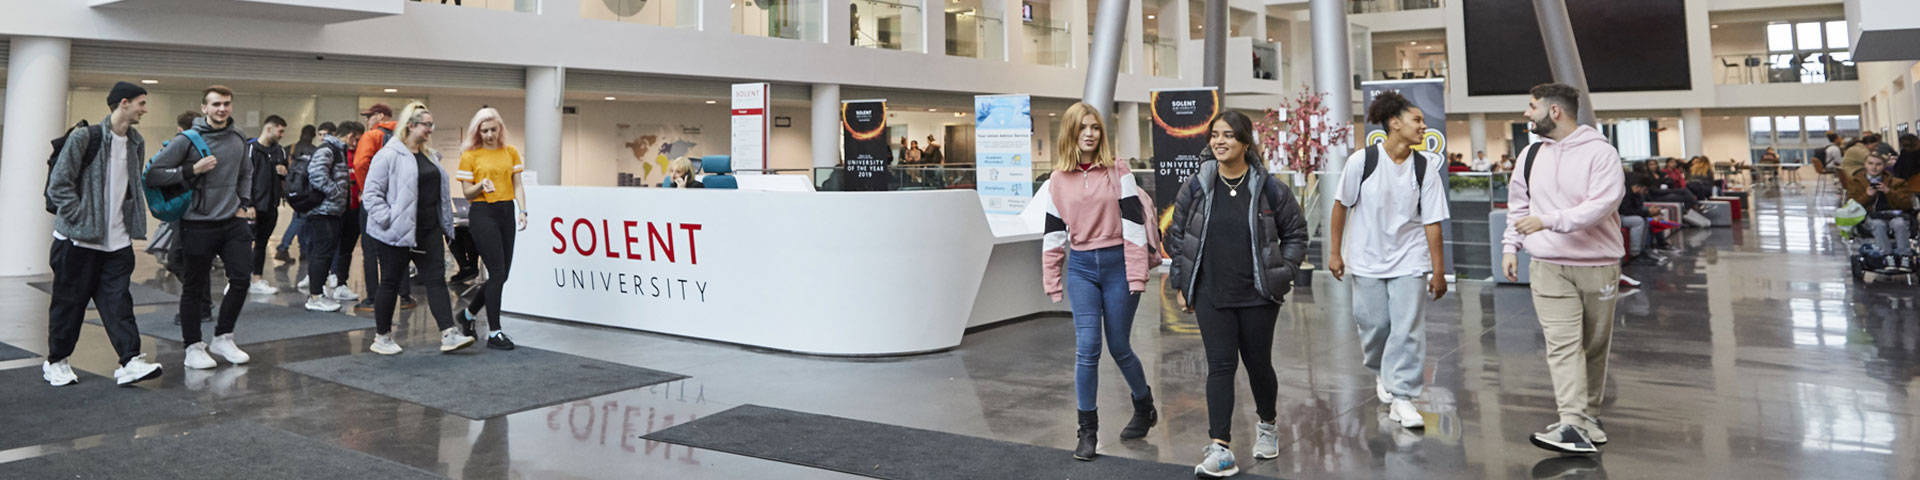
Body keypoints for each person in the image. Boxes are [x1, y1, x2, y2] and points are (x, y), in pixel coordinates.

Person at [1167, 110, 1309, 478]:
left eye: (1229, 135)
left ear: (1246, 142)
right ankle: (1221, 448)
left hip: (1258, 294)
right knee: (1220, 365)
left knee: (1258, 364)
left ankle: (1267, 425)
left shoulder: (1269, 187)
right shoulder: (1197, 186)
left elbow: (1296, 234)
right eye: (1215, 134)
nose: (1220, 141)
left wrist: (1284, 273)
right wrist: (1182, 284)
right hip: (1211, 292)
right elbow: (1178, 237)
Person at [1503, 83, 1625, 455]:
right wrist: (1511, 246)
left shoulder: (1601, 154)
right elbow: (1518, 205)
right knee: (1562, 345)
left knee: (1594, 346)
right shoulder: (1529, 154)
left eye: (1532, 106)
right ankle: (1571, 421)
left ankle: (1587, 418)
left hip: (1598, 264)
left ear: (1554, 111)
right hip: (1547, 265)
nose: (1527, 113)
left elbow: (1600, 206)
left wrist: (1548, 220)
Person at [1035, 102, 1158, 461]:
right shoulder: (1057, 180)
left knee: (1119, 346)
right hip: (1082, 269)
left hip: (1119, 264)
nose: (1090, 134)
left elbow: (1135, 228)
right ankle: (1087, 431)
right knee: (1087, 349)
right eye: (1082, 128)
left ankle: (1144, 405)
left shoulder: (1119, 171)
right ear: (1071, 133)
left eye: (1095, 128)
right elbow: (1054, 234)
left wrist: (1137, 274)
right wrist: (1052, 279)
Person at [1327, 90, 1450, 431]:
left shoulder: (1425, 167)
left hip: (1410, 258)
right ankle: (1383, 369)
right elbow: (1341, 205)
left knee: (1407, 328)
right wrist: (1335, 251)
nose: (1423, 127)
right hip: (1366, 257)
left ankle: (1404, 396)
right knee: (1375, 324)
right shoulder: (1362, 161)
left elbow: (1433, 223)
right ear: (1395, 124)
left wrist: (1438, 272)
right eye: (1417, 120)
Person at [42, 81, 164, 386]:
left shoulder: (136, 141)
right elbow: (59, 184)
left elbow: (130, 189)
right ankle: (56, 361)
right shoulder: (86, 137)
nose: (144, 109)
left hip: (117, 242)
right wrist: (81, 218)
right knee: (69, 304)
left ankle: (130, 361)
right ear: (124, 103)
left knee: (118, 302)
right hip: (77, 241)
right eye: (141, 103)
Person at [145, 85, 257, 370]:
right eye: (216, 104)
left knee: (242, 278)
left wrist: (243, 202)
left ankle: (223, 336)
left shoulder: (238, 137)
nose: (222, 109)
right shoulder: (187, 140)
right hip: (196, 224)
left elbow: (246, 172)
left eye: (227, 104)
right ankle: (193, 346)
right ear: (204, 108)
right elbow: (154, 174)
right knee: (195, 287)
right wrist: (191, 170)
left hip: (232, 221)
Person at [362, 101, 474, 355]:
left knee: (436, 280)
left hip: (428, 230)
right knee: (390, 283)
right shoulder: (389, 154)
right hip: (395, 232)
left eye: (431, 125)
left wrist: (444, 223)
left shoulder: (430, 156)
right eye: (427, 125)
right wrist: (389, 219)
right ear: (410, 125)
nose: (430, 130)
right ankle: (382, 337)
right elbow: (371, 195)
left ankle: (449, 333)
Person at [454, 107, 528, 350]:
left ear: (500, 129)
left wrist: (523, 211)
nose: (489, 134)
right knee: (496, 273)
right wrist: (480, 186)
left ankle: (467, 315)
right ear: (478, 132)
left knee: (503, 274)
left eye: (493, 129)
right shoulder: (470, 156)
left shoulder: (511, 152)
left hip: (506, 212)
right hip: (483, 212)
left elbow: (517, 185)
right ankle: (494, 332)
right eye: (484, 130)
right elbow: (466, 192)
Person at [354, 104, 411, 311]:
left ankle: (371, 298)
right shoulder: (405, 135)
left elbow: (360, 164)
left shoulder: (372, 136)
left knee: (370, 250)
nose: (367, 120)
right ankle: (405, 296)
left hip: (375, 200)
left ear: (379, 116)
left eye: (369, 116)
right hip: (400, 200)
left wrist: (365, 189)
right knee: (400, 246)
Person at [301, 121, 361, 312]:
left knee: (325, 253)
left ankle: (319, 292)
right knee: (322, 253)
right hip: (323, 211)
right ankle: (315, 296)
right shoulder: (329, 150)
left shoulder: (337, 150)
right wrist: (337, 193)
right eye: (357, 139)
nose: (356, 144)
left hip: (332, 211)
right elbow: (316, 174)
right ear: (351, 136)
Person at [246, 115, 289, 295]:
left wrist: (284, 173)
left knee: (262, 243)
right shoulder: (250, 149)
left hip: (271, 205)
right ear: (269, 128)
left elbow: (285, 176)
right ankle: (238, 278)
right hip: (252, 206)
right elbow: (244, 177)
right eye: (279, 131)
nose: (281, 135)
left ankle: (256, 279)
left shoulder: (280, 152)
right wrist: (248, 204)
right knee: (244, 242)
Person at [1849, 153, 1914, 267]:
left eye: (1878, 164)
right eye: (1871, 164)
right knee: (1878, 224)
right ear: (1865, 165)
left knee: (1900, 224)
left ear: (1884, 166)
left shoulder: (1898, 182)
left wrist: (1889, 192)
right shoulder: (1856, 182)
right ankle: (1887, 255)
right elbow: (1851, 207)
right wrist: (1867, 195)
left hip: (1894, 215)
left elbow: (1907, 204)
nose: (1874, 167)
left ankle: (1905, 256)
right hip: (1871, 216)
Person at [278, 122, 329, 265]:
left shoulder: (290, 148)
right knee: (300, 220)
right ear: (314, 136)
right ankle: (285, 247)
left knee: (301, 219)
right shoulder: (316, 151)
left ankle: (303, 250)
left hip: (291, 190)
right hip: (307, 192)